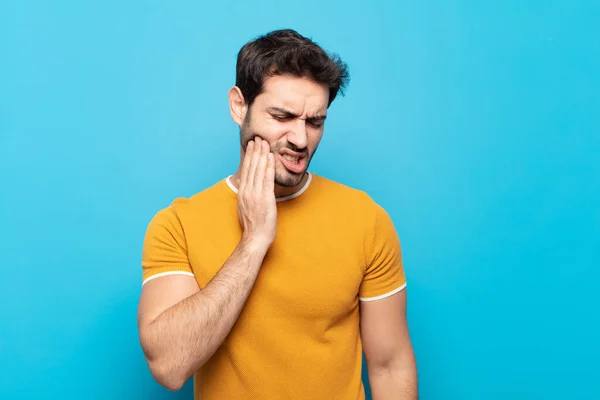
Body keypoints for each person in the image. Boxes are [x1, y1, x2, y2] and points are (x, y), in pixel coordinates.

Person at [136, 28, 418, 399]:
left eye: (314, 122)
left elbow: (390, 364)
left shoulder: (365, 218)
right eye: (282, 116)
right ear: (239, 106)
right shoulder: (178, 225)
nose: (300, 140)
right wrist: (253, 241)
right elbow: (169, 366)